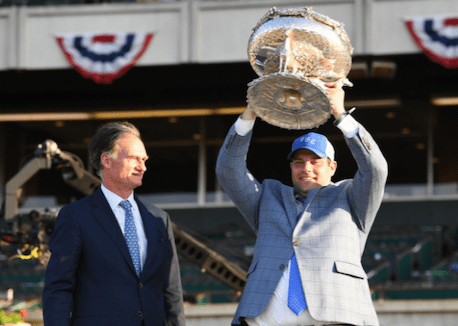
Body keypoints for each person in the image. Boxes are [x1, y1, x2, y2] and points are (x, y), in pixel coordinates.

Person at [216, 80, 388, 326]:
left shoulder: (351, 196)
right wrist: (250, 113)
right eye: (298, 162)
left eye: (315, 161)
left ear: (332, 166)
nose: (306, 168)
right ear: (291, 167)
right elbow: (228, 171)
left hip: (336, 318)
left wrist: (340, 114)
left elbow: (376, 169)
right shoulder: (268, 196)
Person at [42, 122, 185, 326]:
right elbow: (59, 287)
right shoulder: (75, 216)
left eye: (144, 160)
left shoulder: (159, 219)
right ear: (106, 160)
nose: (142, 167)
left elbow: (172, 290)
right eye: (133, 158)